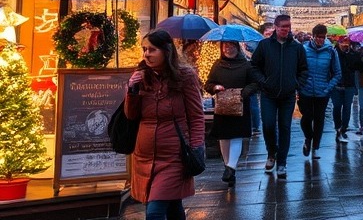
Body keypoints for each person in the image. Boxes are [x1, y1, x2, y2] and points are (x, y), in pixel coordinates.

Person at [125, 29, 204, 220]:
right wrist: (131, 91)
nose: (146, 54)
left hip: (174, 156)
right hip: (144, 157)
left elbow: (196, 115)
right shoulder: (141, 76)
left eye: (152, 50)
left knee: (155, 211)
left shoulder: (185, 76)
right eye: (144, 49)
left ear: (166, 51)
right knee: (173, 203)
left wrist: (195, 146)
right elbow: (130, 115)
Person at [250, 14, 308, 179]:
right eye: (283, 26)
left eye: (288, 26)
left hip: (288, 95)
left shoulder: (296, 48)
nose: (286, 29)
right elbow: (254, 66)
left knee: (285, 127)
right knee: (268, 125)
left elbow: (304, 69)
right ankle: (271, 153)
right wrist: (263, 81)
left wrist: (297, 84)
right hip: (268, 93)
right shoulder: (265, 45)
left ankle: (281, 162)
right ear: (276, 27)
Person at [204, 41, 263, 187]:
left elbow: (255, 83)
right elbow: (209, 84)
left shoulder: (246, 65)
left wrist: (244, 92)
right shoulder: (217, 65)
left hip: (240, 106)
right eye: (225, 46)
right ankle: (228, 167)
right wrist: (215, 87)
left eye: (231, 46)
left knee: (236, 137)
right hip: (223, 107)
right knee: (224, 138)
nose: (228, 49)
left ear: (237, 48)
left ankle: (231, 167)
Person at [299, 24, 341, 160]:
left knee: (319, 119)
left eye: (323, 37)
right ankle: (308, 138)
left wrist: (328, 87)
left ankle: (315, 147)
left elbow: (337, 73)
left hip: (322, 92)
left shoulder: (330, 51)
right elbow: (297, 69)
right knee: (306, 118)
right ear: (313, 36)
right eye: (318, 37)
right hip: (305, 91)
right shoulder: (304, 49)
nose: (321, 40)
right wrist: (300, 85)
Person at [331, 35, 360, 143]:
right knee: (337, 106)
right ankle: (338, 127)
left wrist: (351, 52)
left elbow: (357, 66)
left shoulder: (352, 53)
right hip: (336, 85)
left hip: (349, 85)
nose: (345, 44)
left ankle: (344, 128)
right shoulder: (334, 52)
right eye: (342, 42)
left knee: (347, 108)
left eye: (347, 42)